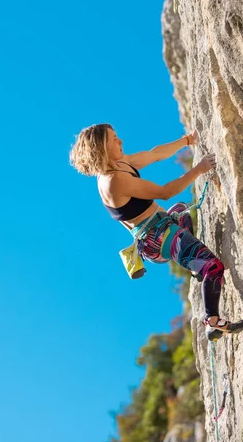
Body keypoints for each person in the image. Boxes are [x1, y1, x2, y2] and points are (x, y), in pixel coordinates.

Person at [69, 122, 242, 341]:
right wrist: (198, 169)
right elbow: (165, 192)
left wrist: (187, 140)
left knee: (181, 211)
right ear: (102, 147)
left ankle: (195, 266)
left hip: (162, 228)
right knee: (213, 266)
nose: (120, 140)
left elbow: (155, 155)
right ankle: (213, 322)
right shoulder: (114, 181)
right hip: (158, 239)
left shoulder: (119, 164)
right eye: (114, 139)